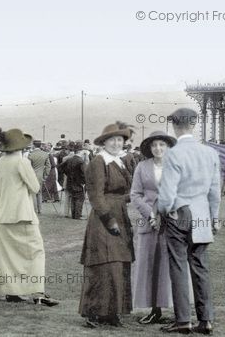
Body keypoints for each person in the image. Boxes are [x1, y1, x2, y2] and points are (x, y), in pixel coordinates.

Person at [157, 108, 220, 335]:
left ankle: (183, 320)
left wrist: (164, 211)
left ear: (174, 126)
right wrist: (215, 218)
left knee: (178, 266)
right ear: (194, 124)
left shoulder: (173, 153)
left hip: (179, 213)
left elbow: (167, 194)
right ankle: (206, 320)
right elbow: (215, 191)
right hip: (202, 213)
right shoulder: (210, 153)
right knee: (201, 266)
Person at [0, 128, 58, 307]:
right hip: (22, 215)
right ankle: (38, 292)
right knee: (35, 253)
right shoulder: (22, 162)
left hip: (2, 216)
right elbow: (35, 187)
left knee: (7, 256)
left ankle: (12, 292)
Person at [79, 122, 135, 328]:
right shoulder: (98, 161)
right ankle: (93, 312)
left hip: (120, 215)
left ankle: (112, 312)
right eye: (112, 139)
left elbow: (126, 192)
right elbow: (96, 196)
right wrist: (109, 221)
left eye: (120, 139)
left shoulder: (120, 162)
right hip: (104, 220)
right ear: (104, 142)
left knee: (119, 265)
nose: (116, 143)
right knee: (103, 265)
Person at [131, 130, 177, 325]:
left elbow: (181, 192)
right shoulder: (142, 166)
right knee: (150, 265)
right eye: (154, 145)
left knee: (170, 265)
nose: (158, 148)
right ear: (150, 149)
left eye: (161, 145)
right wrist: (150, 213)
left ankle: (175, 309)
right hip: (148, 223)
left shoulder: (175, 166)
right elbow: (135, 194)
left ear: (167, 147)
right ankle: (154, 310)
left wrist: (165, 213)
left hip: (171, 222)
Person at [57, 141, 86, 219]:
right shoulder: (80, 161)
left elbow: (60, 167)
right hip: (78, 183)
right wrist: (84, 182)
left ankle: (74, 214)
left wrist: (68, 174)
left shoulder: (69, 159)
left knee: (73, 198)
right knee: (80, 198)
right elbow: (84, 173)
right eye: (83, 150)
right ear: (80, 151)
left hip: (70, 182)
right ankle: (77, 215)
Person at [28, 140, 51, 210]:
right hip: (41, 175)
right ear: (40, 145)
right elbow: (48, 166)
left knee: (33, 193)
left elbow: (28, 167)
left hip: (32, 175)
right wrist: (45, 176)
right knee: (39, 192)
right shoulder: (45, 154)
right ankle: (39, 209)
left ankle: (34, 209)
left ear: (34, 145)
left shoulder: (31, 155)